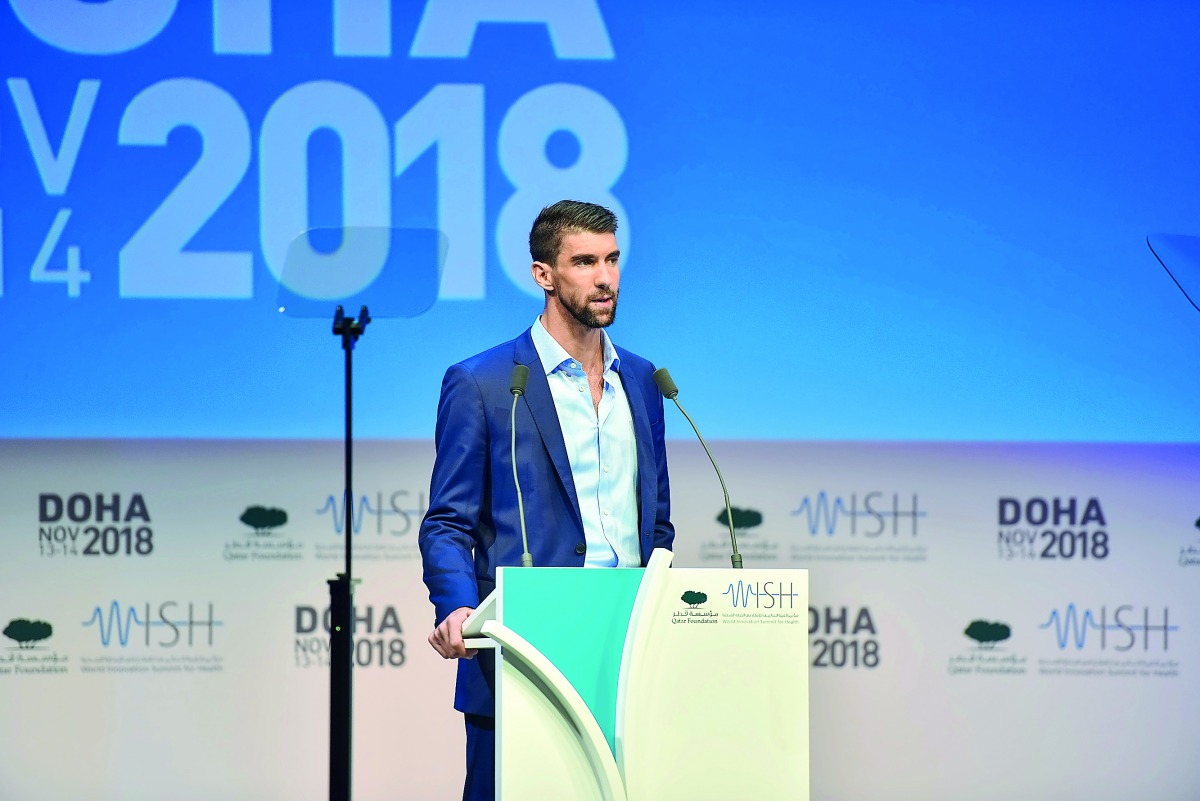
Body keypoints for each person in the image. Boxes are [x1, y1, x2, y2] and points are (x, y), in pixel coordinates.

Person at [418, 199, 675, 801]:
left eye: (612, 259)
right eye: (584, 262)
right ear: (544, 275)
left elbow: (657, 523)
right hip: (523, 649)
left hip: (625, 654)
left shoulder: (642, 381)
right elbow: (448, 521)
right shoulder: (485, 382)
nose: (605, 277)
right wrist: (457, 607)